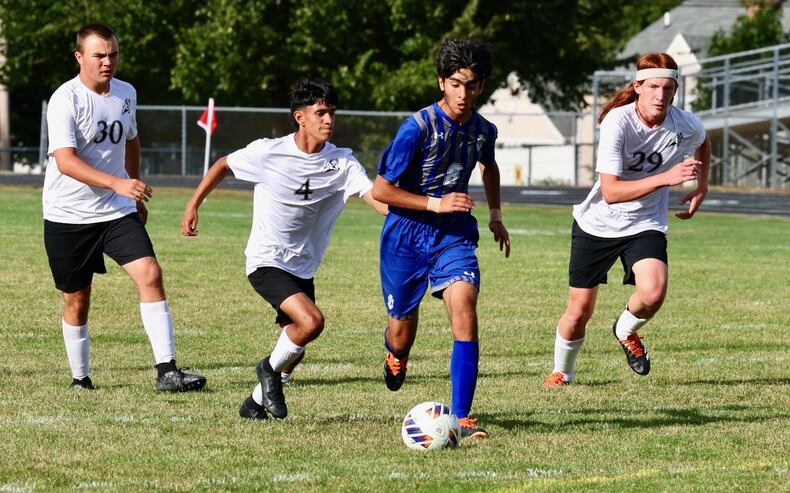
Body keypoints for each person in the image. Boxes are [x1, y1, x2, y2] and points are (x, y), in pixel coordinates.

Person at [181, 77, 387, 420]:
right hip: (265, 261)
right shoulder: (268, 152)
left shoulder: (343, 163)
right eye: (320, 112)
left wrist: (415, 214)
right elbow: (222, 165)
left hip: (302, 267)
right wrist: (192, 205)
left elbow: (375, 199)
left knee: (296, 344)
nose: (329, 120)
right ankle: (267, 369)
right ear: (300, 117)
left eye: (332, 113)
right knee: (312, 322)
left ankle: (253, 405)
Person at [43, 24, 206, 392]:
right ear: (79, 57)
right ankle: (80, 379)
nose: (107, 62)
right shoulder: (64, 99)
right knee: (77, 299)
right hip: (68, 215)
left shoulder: (126, 93)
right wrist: (118, 182)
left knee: (150, 273)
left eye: (113, 54)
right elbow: (65, 161)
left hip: (115, 211)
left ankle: (167, 370)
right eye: (99, 55)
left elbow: (132, 140)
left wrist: (130, 189)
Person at [543, 52, 711, 388]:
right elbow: (611, 192)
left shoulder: (685, 124)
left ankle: (625, 329)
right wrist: (667, 178)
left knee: (653, 291)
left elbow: (704, 142)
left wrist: (701, 186)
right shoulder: (617, 122)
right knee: (578, 313)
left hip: (644, 223)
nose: (660, 95)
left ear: (675, 90)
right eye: (652, 87)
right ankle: (562, 371)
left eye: (667, 88)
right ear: (637, 87)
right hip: (597, 224)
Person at [372, 38, 510, 440]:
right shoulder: (416, 129)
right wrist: (435, 204)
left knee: (465, 309)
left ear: (480, 86)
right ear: (441, 82)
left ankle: (464, 418)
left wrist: (496, 215)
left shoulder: (484, 130)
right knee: (401, 331)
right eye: (454, 84)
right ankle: (396, 356)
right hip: (406, 235)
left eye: (470, 85)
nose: (462, 94)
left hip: (454, 235)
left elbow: (490, 167)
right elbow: (382, 190)